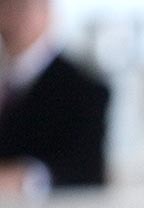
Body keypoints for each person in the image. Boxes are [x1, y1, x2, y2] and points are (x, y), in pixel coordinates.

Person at [0, 0, 109, 196]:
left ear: (47, 12)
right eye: (4, 7)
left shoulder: (84, 88)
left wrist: (26, 178)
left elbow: (88, 170)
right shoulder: (6, 77)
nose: (10, 17)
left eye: (21, 7)